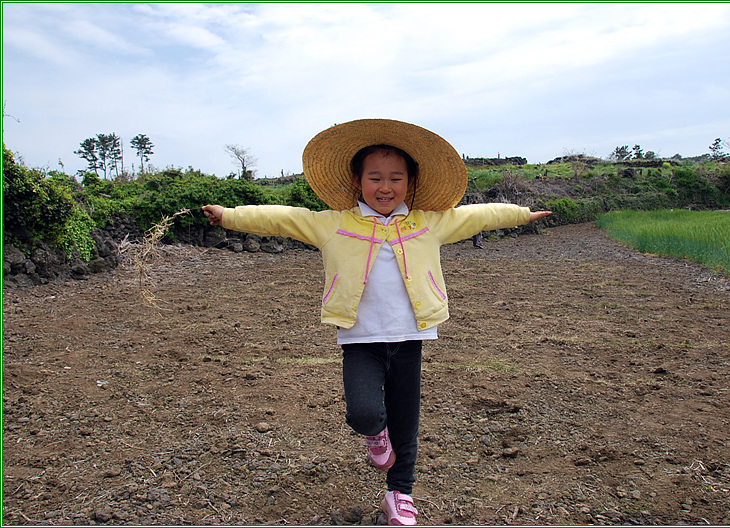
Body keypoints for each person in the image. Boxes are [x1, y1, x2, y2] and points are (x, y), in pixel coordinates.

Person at [202, 118, 551, 525]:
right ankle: (374, 433)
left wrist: (522, 214)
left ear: (410, 182)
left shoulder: (427, 223)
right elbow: (281, 217)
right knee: (364, 412)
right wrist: (228, 215)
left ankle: (399, 495)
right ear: (358, 181)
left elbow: (478, 216)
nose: (385, 187)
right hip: (360, 339)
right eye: (375, 178)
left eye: (396, 179)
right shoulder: (332, 224)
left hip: (411, 338)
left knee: (407, 423)